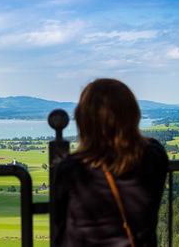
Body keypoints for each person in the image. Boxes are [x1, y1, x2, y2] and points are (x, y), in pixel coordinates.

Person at [53, 78, 169, 247]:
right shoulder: (154, 157)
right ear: (133, 114)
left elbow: (60, 227)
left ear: (83, 120)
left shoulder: (71, 169)